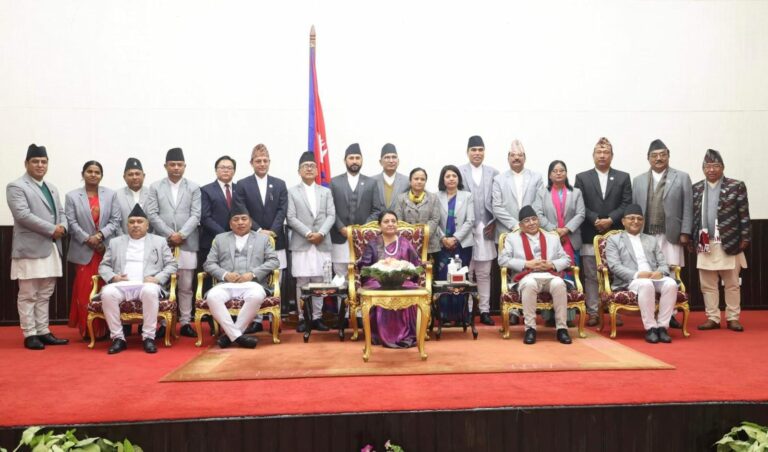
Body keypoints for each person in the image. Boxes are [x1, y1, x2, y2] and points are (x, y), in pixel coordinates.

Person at [6, 144, 70, 350]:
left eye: (44, 161)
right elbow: (23, 215)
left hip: (51, 247)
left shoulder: (51, 187)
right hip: (30, 248)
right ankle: (30, 333)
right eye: (35, 161)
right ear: (26, 163)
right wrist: (53, 229)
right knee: (28, 294)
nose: (40, 165)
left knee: (45, 293)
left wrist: (63, 227)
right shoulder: (16, 186)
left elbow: (61, 212)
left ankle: (43, 330)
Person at [98, 204, 178, 354]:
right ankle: (118, 338)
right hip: (122, 285)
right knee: (107, 293)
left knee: (150, 291)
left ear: (147, 225)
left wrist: (157, 279)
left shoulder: (159, 241)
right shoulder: (115, 242)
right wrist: (114, 277)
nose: (135, 225)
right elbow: (103, 266)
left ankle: (148, 337)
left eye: (140, 222)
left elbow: (172, 264)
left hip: (147, 284)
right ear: (127, 225)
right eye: (132, 222)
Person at [632, 139, 693, 329]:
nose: (658, 158)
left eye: (662, 155)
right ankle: (651, 312)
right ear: (648, 158)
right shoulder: (639, 180)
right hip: (646, 234)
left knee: (671, 272)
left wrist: (685, 231)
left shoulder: (681, 177)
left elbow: (688, 206)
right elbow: (634, 209)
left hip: (671, 234)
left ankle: (670, 314)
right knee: (650, 272)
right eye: (654, 155)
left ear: (668, 155)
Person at [203, 205, 280, 349]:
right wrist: (225, 275)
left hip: (253, 284)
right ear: (230, 224)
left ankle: (229, 336)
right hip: (226, 284)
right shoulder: (220, 239)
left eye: (244, 219)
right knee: (212, 297)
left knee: (256, 296)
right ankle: (237, 336)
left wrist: (253, 274)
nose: (240, 222)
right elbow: (209, 264)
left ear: (250, 222)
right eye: (236, 219)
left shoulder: (263, 239)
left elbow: (274, 261)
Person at [574, 137, 632, 326]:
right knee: (591, 275)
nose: (602, 155)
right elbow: (579, 204)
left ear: (612, 156)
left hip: (616, 234)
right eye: (599, 152)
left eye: (606, 152)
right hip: (590, 232)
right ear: (593, 155)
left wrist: (611, 220)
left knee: (616, 273)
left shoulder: (623, 177)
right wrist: (595, 219)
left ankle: (617, 310)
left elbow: (626, 203)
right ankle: (593, 312)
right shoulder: (582, 178)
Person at [692, 149, 751, 332]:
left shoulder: (735, 186)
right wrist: (691, 240)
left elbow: (744, 214)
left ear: (723, 167)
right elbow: (693, 216)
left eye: (715, 166)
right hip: (704, 241)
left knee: (732, 283)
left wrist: (746, 237)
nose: (711, 170)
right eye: (707, 166)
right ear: (703, 168)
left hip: (730, 240)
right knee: (707, 284)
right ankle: (713, 318)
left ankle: (733, 318)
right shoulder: (696, 188)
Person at [145, 147, 201, 338]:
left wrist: (182, 234)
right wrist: (170, 234)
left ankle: (185, 322)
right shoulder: (155, 187)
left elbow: (196, 214)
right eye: (172, 164)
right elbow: (152, 214)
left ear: (185, 166)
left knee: (186, 285)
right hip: (162, 242)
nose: (176, 168)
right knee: (162, 283)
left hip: (187, 242)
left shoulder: (193, 187)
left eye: (179, 165)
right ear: (165, 166)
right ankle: (163, 323)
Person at [497, 205, 573, 345]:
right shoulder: (512, 238)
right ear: (521, 225)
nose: (531, 223)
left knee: (559, 284)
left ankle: (562, 329)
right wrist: (526, 264)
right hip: (526, 276)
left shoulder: (552, 237)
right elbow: (502, 260)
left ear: (538, 220)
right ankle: (530, 329)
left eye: (534, 219)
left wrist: (551, 264)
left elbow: (566, 259)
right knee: (530, 284)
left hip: (549, 275)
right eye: (527, 221)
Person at [233, 144, 288, 333]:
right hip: (252, 238)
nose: (262, 164)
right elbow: (242, 210)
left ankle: (274, 318)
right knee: (254, 277)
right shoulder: (242, 184)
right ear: (252, 163)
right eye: (258, 161)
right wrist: (258, 230)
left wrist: (271, 231)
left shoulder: (279, 184)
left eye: (265, 161)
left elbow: (282, 210)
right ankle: (255, 320)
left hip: (276, 238)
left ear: (269, 162)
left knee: (277, 279)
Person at [604, 204, 678, 344]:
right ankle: (651, 328)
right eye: (631, 218)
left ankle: (662, 327)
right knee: (646, 284)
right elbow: (615, 266)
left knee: (671, 284)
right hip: (631, 280)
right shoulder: (614, 240)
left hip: (653, 277)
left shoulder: (651, 240)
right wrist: (638, 274)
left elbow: (663, 264)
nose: (636, 221)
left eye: (639, 218)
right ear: (623, 221)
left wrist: (660, 272)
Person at [64, 160, 121, 340]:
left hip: (104, 250)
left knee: (106, 290)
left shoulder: (111, 195)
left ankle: (107, 330)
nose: (93, 175)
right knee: (84, 291)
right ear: (83, 174)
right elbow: (71, 222)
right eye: (90, 171)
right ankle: (88, 330)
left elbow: (115, 220)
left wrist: (100, 236)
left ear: (101, 175)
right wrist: (88, 238)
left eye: (97, 172)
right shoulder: (72, 196)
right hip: (83, 250)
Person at [357, 210, 423, 348]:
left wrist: (402, 270)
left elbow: (416, 266)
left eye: (393, 221)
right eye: (386, 221)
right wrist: (381, 267)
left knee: (409, 288)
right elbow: (364, 268)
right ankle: (384, 335)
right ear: (379, 225)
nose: (390, 224)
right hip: (377, 281)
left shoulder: (405, 243)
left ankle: (405, 334)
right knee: (382, 290)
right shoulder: (373, 244)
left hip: (401, 281)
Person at [287, 151, 336, 333]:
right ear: (299, 171)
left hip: (322, 242)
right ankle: (303, 317)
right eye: (305, 166)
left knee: (320, 280)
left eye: (312, 166)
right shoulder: (292, 192)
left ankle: (317, 317)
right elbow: (291, 217)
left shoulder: (326, 192)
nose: (309, 169)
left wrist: (321, 233)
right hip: (302, 242)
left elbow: (331, 215)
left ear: (317, 170)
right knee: (302, 281)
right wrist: (308, 233)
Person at [537, 160, 585, 327]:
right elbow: (539, 214)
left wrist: (566, 229)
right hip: (550, 240)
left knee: (570, 276)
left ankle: (568, 317)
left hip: (571, 239)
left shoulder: (576, 192)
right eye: (555, 171)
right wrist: (554, 230)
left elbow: (581, 214)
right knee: (550, 275)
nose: (558, 173)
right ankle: (549, 316)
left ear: (566, 173)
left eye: (562, 170)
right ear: (549, 175)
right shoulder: (542, 193)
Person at [458, 135, 500, 325]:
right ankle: (467, 311)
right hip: (465, 229)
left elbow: (499, 200)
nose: (477, 153)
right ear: (467, 152)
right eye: (473, 150)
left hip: (486, 227)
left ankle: (484, 310)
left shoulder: (494, 173)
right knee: (467, 272)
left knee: (484, 273)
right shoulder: (459, 172)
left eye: (480, 150)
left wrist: (495, 221)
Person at [329, 143, 380, 277]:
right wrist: (341, 227)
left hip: (363, 239)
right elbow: (330, 209)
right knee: (340, 275)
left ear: (362, 160)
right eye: (351, 158)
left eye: (357, 158)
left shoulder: (371, 183)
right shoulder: (334, 182)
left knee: (363, 274)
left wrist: (362, 230)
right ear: (345, 160)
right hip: (340, 237)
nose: (354, 161)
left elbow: (376, 210)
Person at [434, 165, 474, 324]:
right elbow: (434, 220)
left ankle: (461, 316)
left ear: (458, 178)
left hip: (462, 244)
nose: (451, 179)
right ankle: (444, 316)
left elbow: (470, 220)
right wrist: (444, 238)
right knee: (443, 278)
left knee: (460, 279)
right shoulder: (436, 196)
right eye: (447, 176)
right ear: (442, 179)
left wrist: (455, 238)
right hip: (442, 245)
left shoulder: (467, 196)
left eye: (454, 176)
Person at [200, 156, 238, 271]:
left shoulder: (240, 189)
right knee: (211, 275)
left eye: (229, 168)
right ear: (216, 170)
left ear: (234, 171)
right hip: (212, 240)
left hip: (237, 241)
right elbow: (205, 217)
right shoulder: (206, 190)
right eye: (222, 167)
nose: (226, 170)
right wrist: (224, 235)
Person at [394, 167, 441, 254]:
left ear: (425, 182)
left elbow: (435, 219)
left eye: (422, 179)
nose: (419, 181)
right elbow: (398, 220)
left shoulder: (433, 198)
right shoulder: (400, 198)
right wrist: (411, 236)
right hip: (406, 243)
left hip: (429, 244)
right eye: (416, 179)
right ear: (410, 181)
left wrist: (423, 236)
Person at [114, 157, 150, 234]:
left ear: (143, 176)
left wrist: (152, 239)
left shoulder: (152, 194)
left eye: (137, 174)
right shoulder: (117, 195)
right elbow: (115, 222)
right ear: (124, 177)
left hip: (150, 240)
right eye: (130, 174)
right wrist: (122, 239)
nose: (134, 177)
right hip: (124, 239)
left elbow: (156, 221)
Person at [371, 143, 409, 212]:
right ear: (380, 162)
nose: (391, 161)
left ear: (398, 161)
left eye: (394, 157)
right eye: (387, 157)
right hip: (377, 218)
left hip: (399, 219)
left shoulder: (407, 181)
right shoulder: (371, 181)